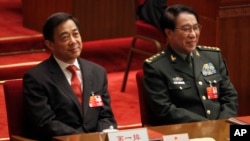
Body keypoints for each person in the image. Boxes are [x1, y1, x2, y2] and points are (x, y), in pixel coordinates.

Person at [23, 12, 117, 140]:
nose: (73, 41)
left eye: (76, 34)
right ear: (50, 44)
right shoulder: (36, 78)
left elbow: (105, 116)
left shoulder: (97, 72)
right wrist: (84, 139)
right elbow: (46, 123)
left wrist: (101, 136)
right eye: (65, 37)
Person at [143, 4, 238, 126]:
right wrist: (208, 126)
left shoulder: (213, 56)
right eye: (186, 29)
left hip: (222, 127)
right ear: (169, 33)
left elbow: (230, 96)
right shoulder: (156, 67)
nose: (193, 34)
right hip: (186, 132)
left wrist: (223, 123)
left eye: (196, 27)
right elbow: (165, 110)